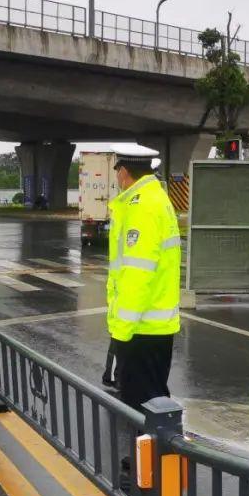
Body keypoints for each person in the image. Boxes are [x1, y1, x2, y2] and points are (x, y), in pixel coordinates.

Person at [106, 144, 181, 415]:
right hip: (153, 325)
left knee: (141, 402)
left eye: (117, 173)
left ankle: (149, 457)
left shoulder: (142, 207)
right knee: (154, 399)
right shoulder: (155, 199)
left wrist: (122, 331)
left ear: (124, 172)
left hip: (142, 327)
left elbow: (137, 274)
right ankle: (151, 456)